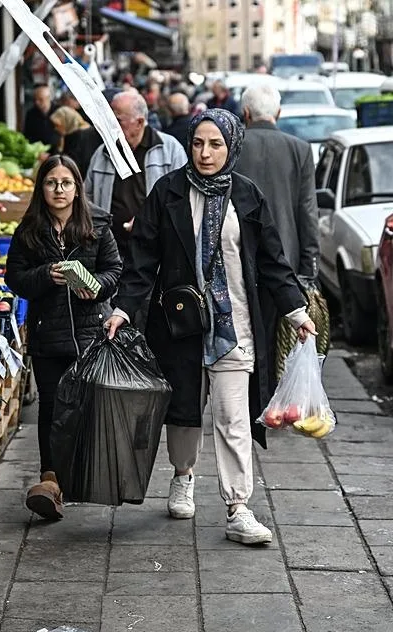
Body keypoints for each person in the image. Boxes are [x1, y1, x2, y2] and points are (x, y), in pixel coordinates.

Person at [105, 110, 317, 545]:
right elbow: (142, 260)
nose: (205, 153)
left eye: (215, 144)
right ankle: (183, 476)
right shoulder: (167, 192)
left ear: (232, 146)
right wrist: (123, 309)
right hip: (179, 326)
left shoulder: (248, 195)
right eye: (198, 143)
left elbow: (274, 262)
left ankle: (238, 507)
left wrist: (297, 312)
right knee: (183, 412)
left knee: (233, 416)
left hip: (234, 326)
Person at [5, 155, 122, 521]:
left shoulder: (98, 223)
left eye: (66, 183)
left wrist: (97, 288)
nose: (59, 190)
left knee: (86, 407)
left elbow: (115, 269)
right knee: (52, 409)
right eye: (52, 183)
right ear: (41, 188)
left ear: (77, 187)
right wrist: (45, 276)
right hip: (48, 336)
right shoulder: (29, 229)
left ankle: (82, 476)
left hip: (90, 335)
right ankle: (50, 481)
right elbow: (15, 277)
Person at [234, 84, 321, 376]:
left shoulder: (233, 147)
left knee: (243, 342)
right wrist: (309, 269)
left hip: (238, 258)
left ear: (244, 113)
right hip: (286, 264)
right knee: (278, 345)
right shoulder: (300, 149)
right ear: (278, 113)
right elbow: (308, 212)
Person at [85, 89, 187, 259]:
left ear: (139, 122)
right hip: (110, 250)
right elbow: (86, 196)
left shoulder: (170, 149)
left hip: (155, 249)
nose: (110, 126)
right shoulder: (103, 153)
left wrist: (148, 221)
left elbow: (182, 199)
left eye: (117, 121)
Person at [23, 84, 59, 153]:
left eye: (40, 99)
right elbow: (27, 136)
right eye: (35, 99)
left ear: (48, 98)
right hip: (38, 154)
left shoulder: (60, 111)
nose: (37, 102)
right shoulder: (30, 114)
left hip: (57, 154)